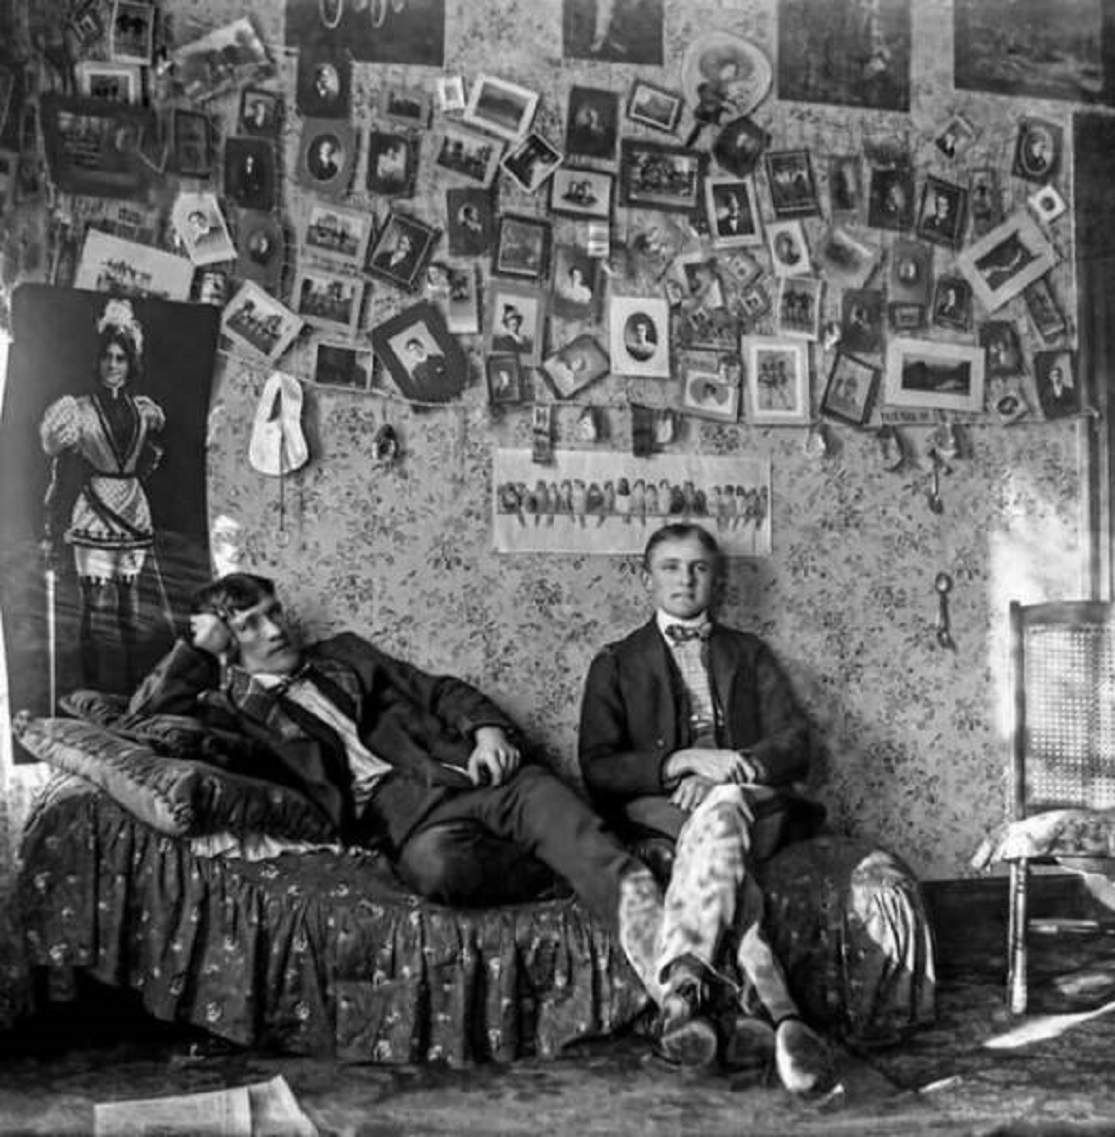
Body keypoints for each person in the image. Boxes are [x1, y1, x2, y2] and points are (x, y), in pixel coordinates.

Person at [125, 572, 671, 1014]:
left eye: (273, 611)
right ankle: (577, 868)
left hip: (478, 775)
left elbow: (438, 691)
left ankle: (678, 986)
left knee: (570, 826)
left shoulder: (347, 654)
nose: (273, 630)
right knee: (438, 871)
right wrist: (196, 651)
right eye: (248, 625)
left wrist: (488, 732)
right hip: (409, 823)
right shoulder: (234, 710)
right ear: (225, 642)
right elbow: (146, 721)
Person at [578, 523, 833, 1093]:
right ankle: (776, 1011)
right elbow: (597, 766)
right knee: (723, 847)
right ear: (648, 577)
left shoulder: (749, 653)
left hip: (750, 800)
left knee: (722, 805)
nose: (685, 579)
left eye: (697, 567)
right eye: (671, 566)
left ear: (715, 579)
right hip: (665, 809)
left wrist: (732, 766)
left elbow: (795, 744)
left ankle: (683, 986)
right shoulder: (616, 662)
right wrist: (683, 764)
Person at [40, 299, 166, 690]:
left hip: (133, 507)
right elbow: (57, 462)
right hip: (96, 510)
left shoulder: (144, 411)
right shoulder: (76, 410)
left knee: (129, 608)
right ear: (98, 362)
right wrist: (51, 519)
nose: (113, 365)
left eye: (121, 358)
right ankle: (88, 690)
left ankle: (132, 692)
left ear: (131, 364)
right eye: (107, 358)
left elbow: (146, 456)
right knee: (92, 609)